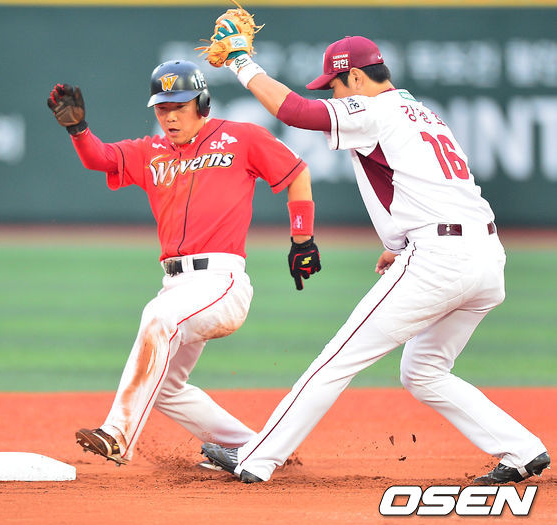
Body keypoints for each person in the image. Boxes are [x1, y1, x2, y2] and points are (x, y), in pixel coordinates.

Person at [199, 34, 550, 485]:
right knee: (423, 371)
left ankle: (257, 458)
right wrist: (402, 243)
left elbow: (294, 112)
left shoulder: (374, 109)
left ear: (356, 78)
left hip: (439, 259)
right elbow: (435, 188)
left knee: (337, 359)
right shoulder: (424, 113)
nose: (333, 96)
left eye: (335, 86)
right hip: (484, 254)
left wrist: (240, 62)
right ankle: (522, 449)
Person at [47, 59, 321, 466]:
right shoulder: (151, 151)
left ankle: (118, 434)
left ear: (202, 103)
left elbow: (297, 173)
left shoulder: (241, 137)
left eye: (179, 107)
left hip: (221, 282)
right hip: (176, 285)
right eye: (162, 108)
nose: (170, 117)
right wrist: (78, 130)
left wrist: (303, 240)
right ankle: (259, 449)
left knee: (158, 317)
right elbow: (100, 158)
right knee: (166, 388)